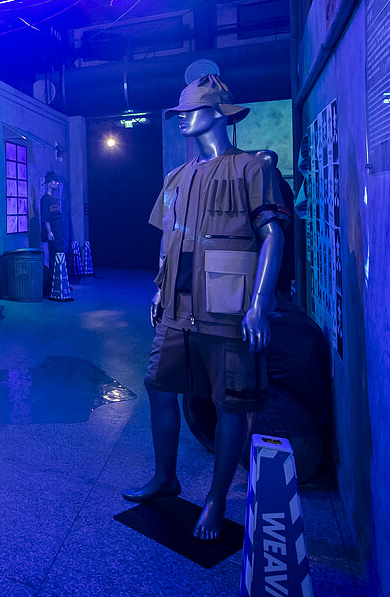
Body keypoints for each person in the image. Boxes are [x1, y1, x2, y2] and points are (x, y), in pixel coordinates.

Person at [123, 75, 286, 542]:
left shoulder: (252, 168)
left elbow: (273, 234)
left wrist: (260, 303)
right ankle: (165, 477)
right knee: (158, 385)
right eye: (180, 112)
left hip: (228, 309)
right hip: (177, 305)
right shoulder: (176, 177)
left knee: (230, 402)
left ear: (217, 114)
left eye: (191, 110)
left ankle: (216, 499)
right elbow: (167, 239)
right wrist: (159, 288)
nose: (182, 119)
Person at [254, 149, 297, 301]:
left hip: (279, 250)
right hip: (280, 250)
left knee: (279, 293)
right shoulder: (276, 183)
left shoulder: (275, 186)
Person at [40, 171, 66, 288]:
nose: (57, 184)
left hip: (59, 232)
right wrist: (49, 231)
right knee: (54, 256)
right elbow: (46, 217)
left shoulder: (54, 199)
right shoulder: (45, 199)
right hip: (54, 233)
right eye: (55, 181)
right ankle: (53, 284)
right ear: (49, 183)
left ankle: (60, 283)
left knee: (60, 256)